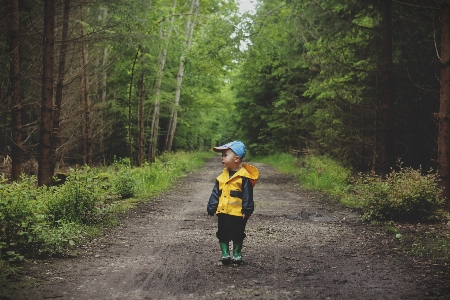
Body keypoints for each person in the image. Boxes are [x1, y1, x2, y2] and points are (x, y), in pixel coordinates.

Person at [206, 140, 259, 265]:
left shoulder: (244, 177)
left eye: (225, 155)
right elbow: (215, 193)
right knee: (222, 233)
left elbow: (247, 195)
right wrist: (212, 206)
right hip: (223, 211)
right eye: (222, 156)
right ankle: (225, 254)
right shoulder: (221, 177)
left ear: (236, 158)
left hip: (238, 213)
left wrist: (247, 210)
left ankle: (237, 253)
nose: (222, 158)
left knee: (238, 233)